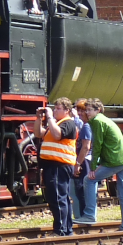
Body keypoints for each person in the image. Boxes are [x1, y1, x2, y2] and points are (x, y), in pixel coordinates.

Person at [77, 99, 123, 230]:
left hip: (115, 160)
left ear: (98, 110)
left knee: (89, 179)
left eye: (90, 110)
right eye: (86, 110)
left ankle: (90, 215)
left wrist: (92, 168)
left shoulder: (97, 121)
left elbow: (97, 145)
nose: (87, 112)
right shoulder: (104, 119)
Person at [33, 97, 77, 236]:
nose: (55, 110)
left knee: (58, 198)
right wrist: (39, 118)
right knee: (60, 197)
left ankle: (60, 230)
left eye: (58, 108)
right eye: (55, 108)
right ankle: (66, 229)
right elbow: (38, 133)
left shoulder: (68, 123)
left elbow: (58, 135)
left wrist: (50, 117)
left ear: (67, 111)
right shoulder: (56, 124)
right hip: (52, 166)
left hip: (59, 165)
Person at [71, 99, 93, 224]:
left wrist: (77, 163)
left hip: (84, 160)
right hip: (86, 159)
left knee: (80, 189)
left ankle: (82, 216)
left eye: (82, 110)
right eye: (78, 110)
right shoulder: (88, 125)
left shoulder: (86, 127)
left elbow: (86, 147)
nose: (79, 113)